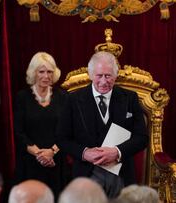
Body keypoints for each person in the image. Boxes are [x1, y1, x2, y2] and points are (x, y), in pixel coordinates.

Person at [56, 51, 148, 198]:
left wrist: (117, 152)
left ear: (116, 75)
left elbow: (142, 138)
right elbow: (62, 138)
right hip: (87, 174)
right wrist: (85, 153)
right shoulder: (73, 100)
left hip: (121, 174)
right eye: (99, 76)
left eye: (108, 75)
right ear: (91, 75)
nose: (104, 81)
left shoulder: (130, 98)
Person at [13, 52, 67, 197]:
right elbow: (18, 132)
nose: (46, 76)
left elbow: (68, 131)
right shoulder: (22, 97)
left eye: (50, 72)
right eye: (41, 71)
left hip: (56, 163)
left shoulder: (63, 97)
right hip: (29, 163)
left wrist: (52, 152)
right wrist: (39, 154)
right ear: (33, 73)